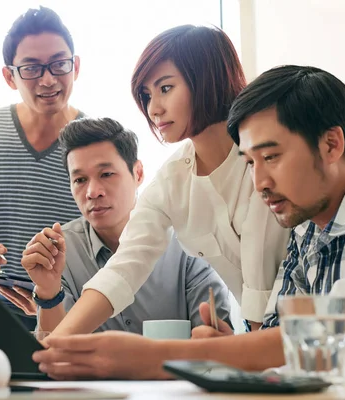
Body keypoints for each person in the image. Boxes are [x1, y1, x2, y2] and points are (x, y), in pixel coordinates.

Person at [31, 65, 345, 380]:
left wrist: (161, 357)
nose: (259, 183)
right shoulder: (305, 232)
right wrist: (235, 354)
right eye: (251, 163)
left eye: (271, 156)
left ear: (331, 144)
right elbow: (278, 340)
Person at [44, 24, 289, 338]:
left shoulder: (264, 157)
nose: (153, 108)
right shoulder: (172, 180)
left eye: (165, 88)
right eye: (147, 95)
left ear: (205, 79)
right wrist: (55, 346)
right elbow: (123, 269)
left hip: (323, 330)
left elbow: (260, 280)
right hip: (266, 341)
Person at [0, 117, 231, 333]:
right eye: (79, 180)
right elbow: (52, 353)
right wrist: (48, 292)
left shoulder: (188, 241)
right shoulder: (60, 253)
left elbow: (216, 343)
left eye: (107, 174)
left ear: (138, 173)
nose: (92, 192)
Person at [0, 6, 84, 327]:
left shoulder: (96, 143)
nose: (48, 79)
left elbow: (117, 238)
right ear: (10, 76)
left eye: (59, 64)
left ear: (75, 66)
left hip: (73, 316)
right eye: (32, 68)